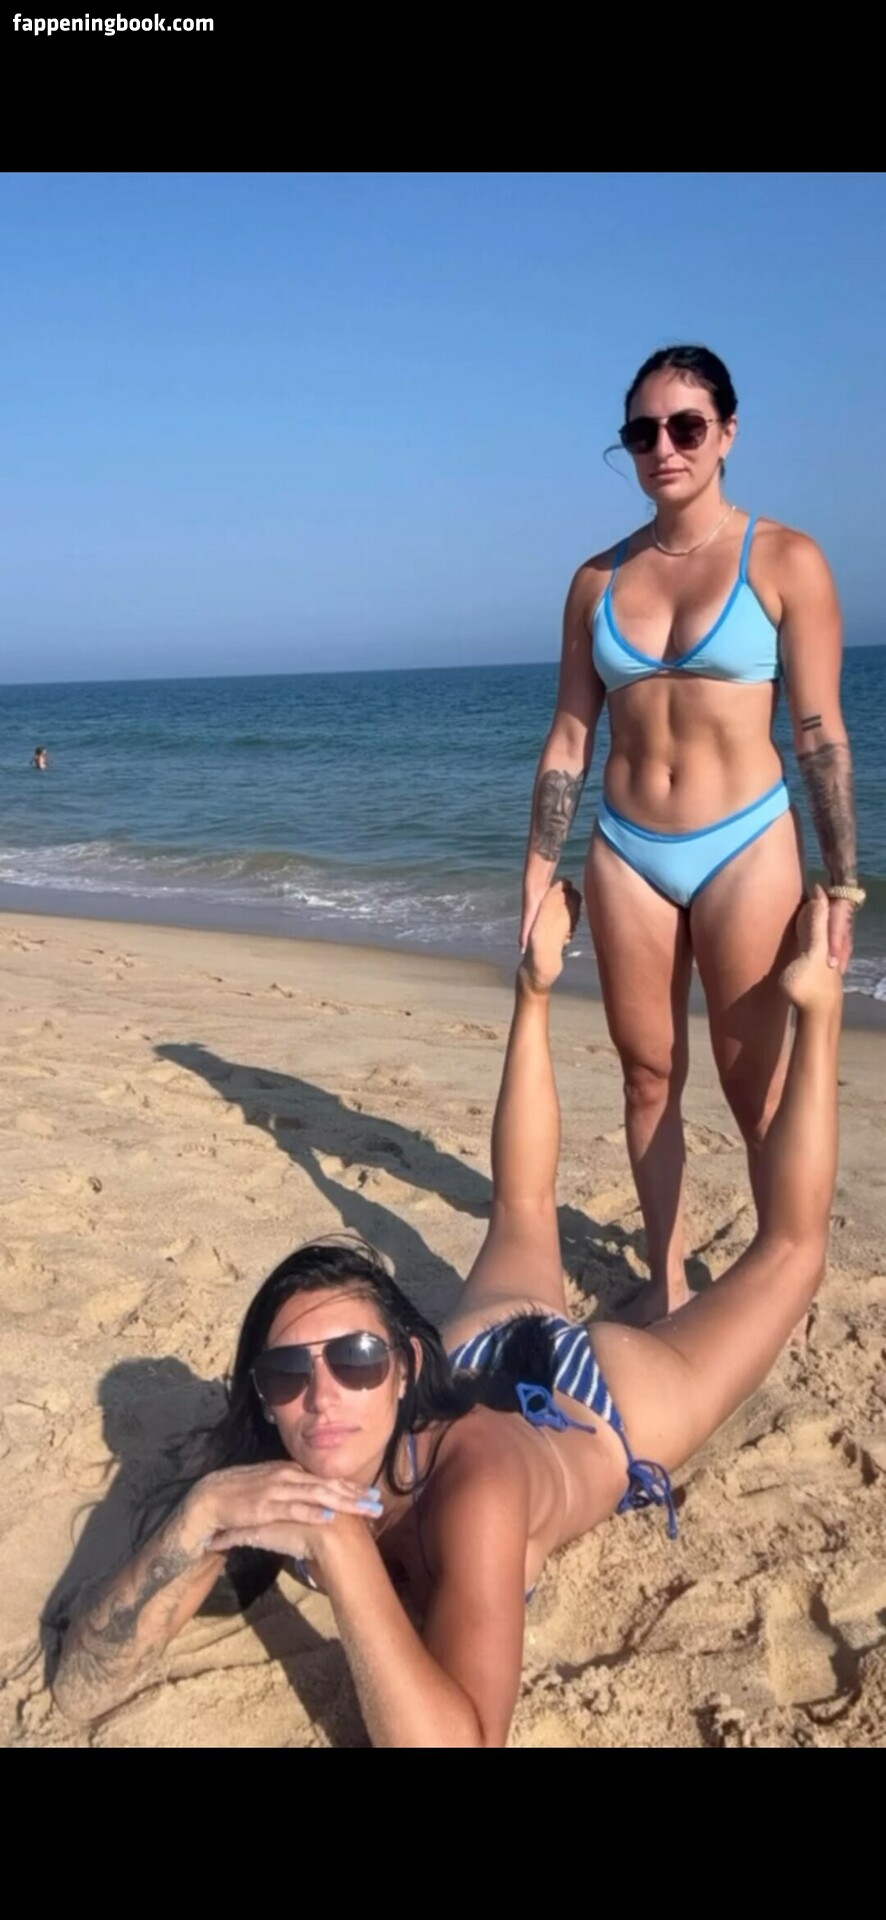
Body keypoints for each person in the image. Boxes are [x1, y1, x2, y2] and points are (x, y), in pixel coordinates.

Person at [52, 881, 841, 1748]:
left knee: (790, 1254)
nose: (322, 1394)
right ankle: (534, 988)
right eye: (286, 1372)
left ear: (402, 1368)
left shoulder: (477, 1487)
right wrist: (196, 1519)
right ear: (264, 1397)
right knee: (522, 1208)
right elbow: (80, 1691)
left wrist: (342, 1549)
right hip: (471, 1357)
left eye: (355, 1357)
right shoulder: (264, 1462)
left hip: (596, 1401)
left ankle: (819, 1004)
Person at [521, 345, 862, 1322]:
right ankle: (667, 1282)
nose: (663, 447)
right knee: (646, 1079)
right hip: (627, 850)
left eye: (685, 426)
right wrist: (536, 875)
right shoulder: (595, 580)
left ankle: (776, 1277)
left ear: (727, 434)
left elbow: (818, 734)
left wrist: (842, 884)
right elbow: (570, 737)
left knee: (756, 1090)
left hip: (745, 845)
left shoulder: (786, 560)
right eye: (642, 431)